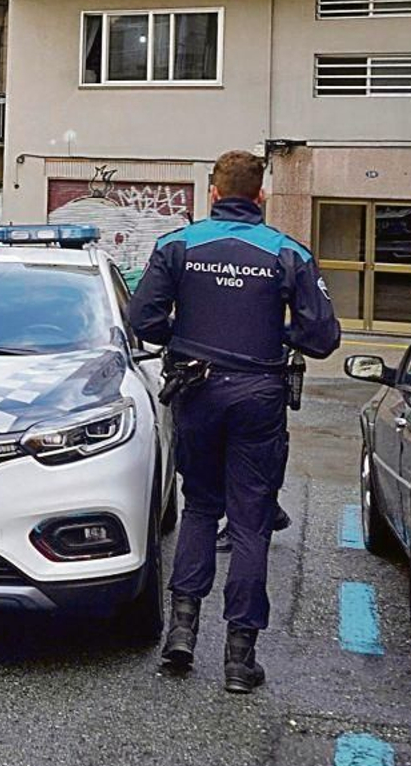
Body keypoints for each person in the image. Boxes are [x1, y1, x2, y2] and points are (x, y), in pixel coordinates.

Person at [130, 150, 339, 693]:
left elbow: (143, 319)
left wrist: (186, 336)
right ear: (261, 195)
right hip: (259, 392)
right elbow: (323, 337)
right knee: (250, 521)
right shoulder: (288, 252)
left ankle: (180, 636)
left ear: (214, 193)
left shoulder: (178, 244)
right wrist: (276, 333)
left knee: (200, 507)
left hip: (196, 388)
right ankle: (240, 660)